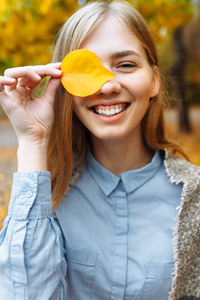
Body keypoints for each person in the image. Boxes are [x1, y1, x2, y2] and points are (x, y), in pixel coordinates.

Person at [0, 1, 200, 299]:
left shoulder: (194, 195)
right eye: (87, 69)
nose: (107, 86)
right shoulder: (43, 197)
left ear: (155, 80)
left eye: (126, 65)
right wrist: (33, 142)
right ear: (62, 84)